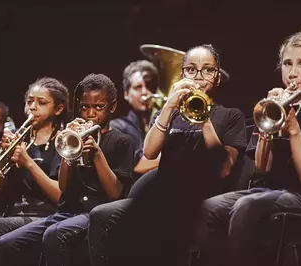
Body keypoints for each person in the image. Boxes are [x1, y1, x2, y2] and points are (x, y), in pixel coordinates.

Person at [87, 44, 247, 266]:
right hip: (163, 194)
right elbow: (150, 153)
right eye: (191, 69)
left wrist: (204, 119)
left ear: (217, 77)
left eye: (207, 70)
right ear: (183, 75)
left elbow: (225, 167)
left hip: (201, 195)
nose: (199, 76)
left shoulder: (231, 116)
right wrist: (168, 107)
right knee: (101, 214)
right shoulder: (172, 114)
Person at [195, 31, 301, 266]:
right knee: (209, 208)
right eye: (287, 63)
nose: (292, 71)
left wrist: (293, 129)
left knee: (246, 207)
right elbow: (262, 168)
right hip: (270, 191)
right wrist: (267, 127)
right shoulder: (277, 107)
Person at [0, 73, 134, 266]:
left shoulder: (122, 141)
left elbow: (115, 193)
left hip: (96, 213)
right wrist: (68, 150)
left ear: (113, 107)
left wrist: (97, 154)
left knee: (54, 235)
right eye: (85, 107)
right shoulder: (70, 136)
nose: (91, 113)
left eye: (99, 107)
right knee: (5, 244)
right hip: (67, 212)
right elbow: (64, 188)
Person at [0, 78, 69, 266]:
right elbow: (0, 194)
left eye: (42, 102)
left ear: (58, 109)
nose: (33, 107)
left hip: (47, 215)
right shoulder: (19, 140)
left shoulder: (64, 142)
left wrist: (28, 162)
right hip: (14, 212)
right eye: (29, 101)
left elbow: (60, 197)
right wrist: (3, 168)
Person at [110, 60, 160, 177]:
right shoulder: (117, 127)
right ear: (126, 94)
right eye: (138, 87)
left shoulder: (162, 121)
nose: (145, 92)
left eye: (149, 86)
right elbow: (139, 165)